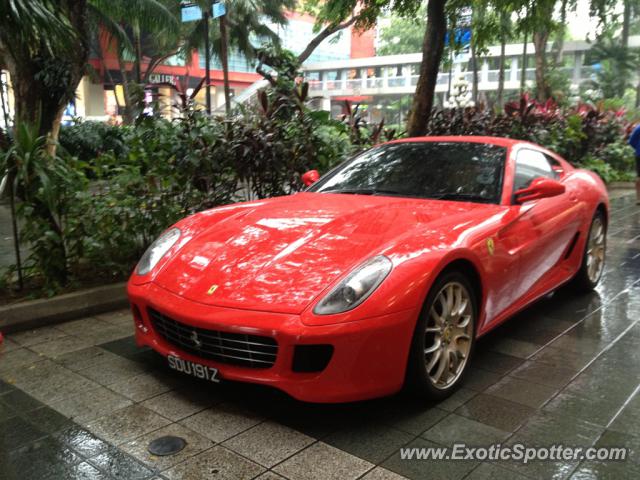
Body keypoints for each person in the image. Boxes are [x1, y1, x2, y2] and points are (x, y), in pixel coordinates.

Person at [629, 123, 640, 205]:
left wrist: (637, 148)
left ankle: (638, 198)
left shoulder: (638, 128)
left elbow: (631, 141)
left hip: (639, 154)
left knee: (639, 176)